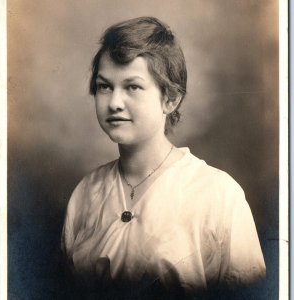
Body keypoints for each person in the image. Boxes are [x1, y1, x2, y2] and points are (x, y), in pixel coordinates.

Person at [61, 16, 266, 299]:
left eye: (132, 87)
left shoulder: (219, 194)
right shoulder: (85, 194)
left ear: (170, 99)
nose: (115, 103)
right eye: (104, 86)